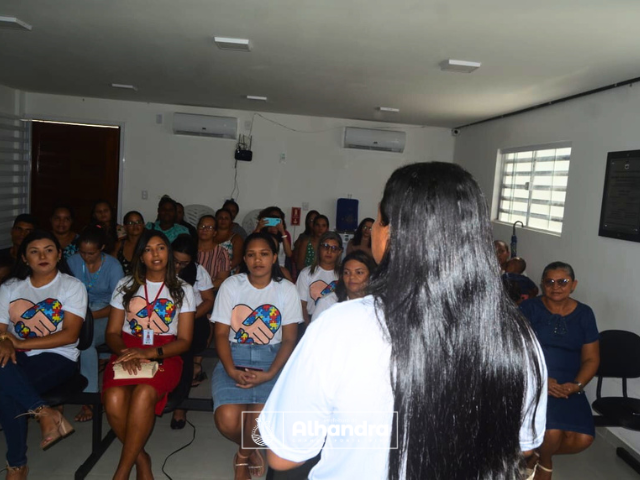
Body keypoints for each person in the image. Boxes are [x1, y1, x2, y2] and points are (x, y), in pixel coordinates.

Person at [258, 162, 547, 479]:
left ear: (391, 234)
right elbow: (523, 447)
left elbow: (283, 456)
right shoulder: (517, 336)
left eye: (377, 221)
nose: (373, 231)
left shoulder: (341, 326)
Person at [102, 230, 195, 480]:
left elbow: (185, 341)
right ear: (140, 256)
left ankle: (121, 472)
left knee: (144, 393)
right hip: (127, 350)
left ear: (168, 253)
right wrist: (127, 353)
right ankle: (141, 458)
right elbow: (112, 332)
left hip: (165, 353)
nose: (155, 254)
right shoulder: (125, 285)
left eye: (161, 247)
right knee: (112, 397)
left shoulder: (183, 289)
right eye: (148, 249)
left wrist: (148, 352)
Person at [211, 232, 301, 480]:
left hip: (272, 359)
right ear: (244, 259)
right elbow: (220, 334)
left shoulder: (286, 289)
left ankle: (243, 456)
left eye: (264, 254)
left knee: (260, 420)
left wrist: (270, 373)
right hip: (234, 356)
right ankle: (251, 449)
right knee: (227, 420)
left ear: (274, 257)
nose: (257, 260)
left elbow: (289, 339)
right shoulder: (231, 285)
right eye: (251, 255)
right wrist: (231, 370)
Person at [0, 230, 87, 479]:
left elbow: (70, 335)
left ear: (59, 255)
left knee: (7, 391)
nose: (42, 256)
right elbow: (1, 329)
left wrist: (18, 342)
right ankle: (44, 411)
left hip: (58, 356)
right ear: (24, 258)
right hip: (17, 353)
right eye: (34, 251)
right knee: (5, 378)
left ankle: (17, 465)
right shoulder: (10, 287)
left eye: (49, 250)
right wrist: (5, 341)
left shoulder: (72, 286)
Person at [520, 262, 599, 479]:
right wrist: (541, 381)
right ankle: (545, 465)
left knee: (583, 439)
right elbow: (517, 351)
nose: (556, 287)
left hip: (569, 384)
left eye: (563, 282)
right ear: (542, 284)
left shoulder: (585, 314)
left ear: (573, 285)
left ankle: (534, 455)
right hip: (535, 380)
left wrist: (577, 385)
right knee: (552, 432)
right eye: (550, 282)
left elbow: (591, 358)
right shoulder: (529, 309)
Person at [67, 226, 124, 422]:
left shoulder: (113, 266)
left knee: (86, 341)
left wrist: (89, 316)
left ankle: (90, 397)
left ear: (102, 248)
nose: (86, 257)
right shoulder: (73, 261)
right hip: (78, 311)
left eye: (91, 253)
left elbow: (118, 305)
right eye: (82, 252)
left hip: (106, 313)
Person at [169, 234, 214, 429]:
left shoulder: (198, 271)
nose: (178, 266)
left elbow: (208, 300)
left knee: (184, 352)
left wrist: (188, 317)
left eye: (184, 263)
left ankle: (181, 403)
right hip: (164, 320)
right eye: (175, 261)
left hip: (194, 318)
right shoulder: (159, 267)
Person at [313, 250, 377, 319]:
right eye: (346, 272)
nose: (351, 277)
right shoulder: (328, 303)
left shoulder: (378, 303)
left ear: (371, 275)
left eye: (359, 272)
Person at [296, 231, 342, 324]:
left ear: (339, 252)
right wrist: (309, 327)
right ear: (319, 248)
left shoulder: (343, 274)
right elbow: (302, 305)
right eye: (325, 246)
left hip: (337, 321)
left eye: (334, 248)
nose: (329, 251)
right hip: (311, 320)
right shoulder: (306, 273)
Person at [255, 206, 293, 281]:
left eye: (277, 219)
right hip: (263, 266)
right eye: (271, 219)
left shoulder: (284, 234)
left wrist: (282, 232)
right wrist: (259, 228)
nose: (273, 227)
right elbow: (252, 242)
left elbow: (289, 254)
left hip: (280, 267)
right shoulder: (261, 233)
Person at [196, 215, 231, 290]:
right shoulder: (189, 248)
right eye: (202, 226)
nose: (205, 229)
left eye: (209, 227)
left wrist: (203, 290)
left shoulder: (221, 253)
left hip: (209, 291)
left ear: (215, 233)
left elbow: (221, 279)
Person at [214, 208, 244, 274]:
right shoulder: (210, 235)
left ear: (231, 221)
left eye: (226, 218)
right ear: (216, 220)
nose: (223, 220)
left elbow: (237, 259)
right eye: (220, 218)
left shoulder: (236, 238)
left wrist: (221, 271)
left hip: (228, 272)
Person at [117, 211, 146, 276]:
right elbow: (110, 265)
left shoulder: (149, 244)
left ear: (143, 225)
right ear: (125, 227)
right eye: (130, 223)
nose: (135, 225)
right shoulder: (119, 245)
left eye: (138, 222)